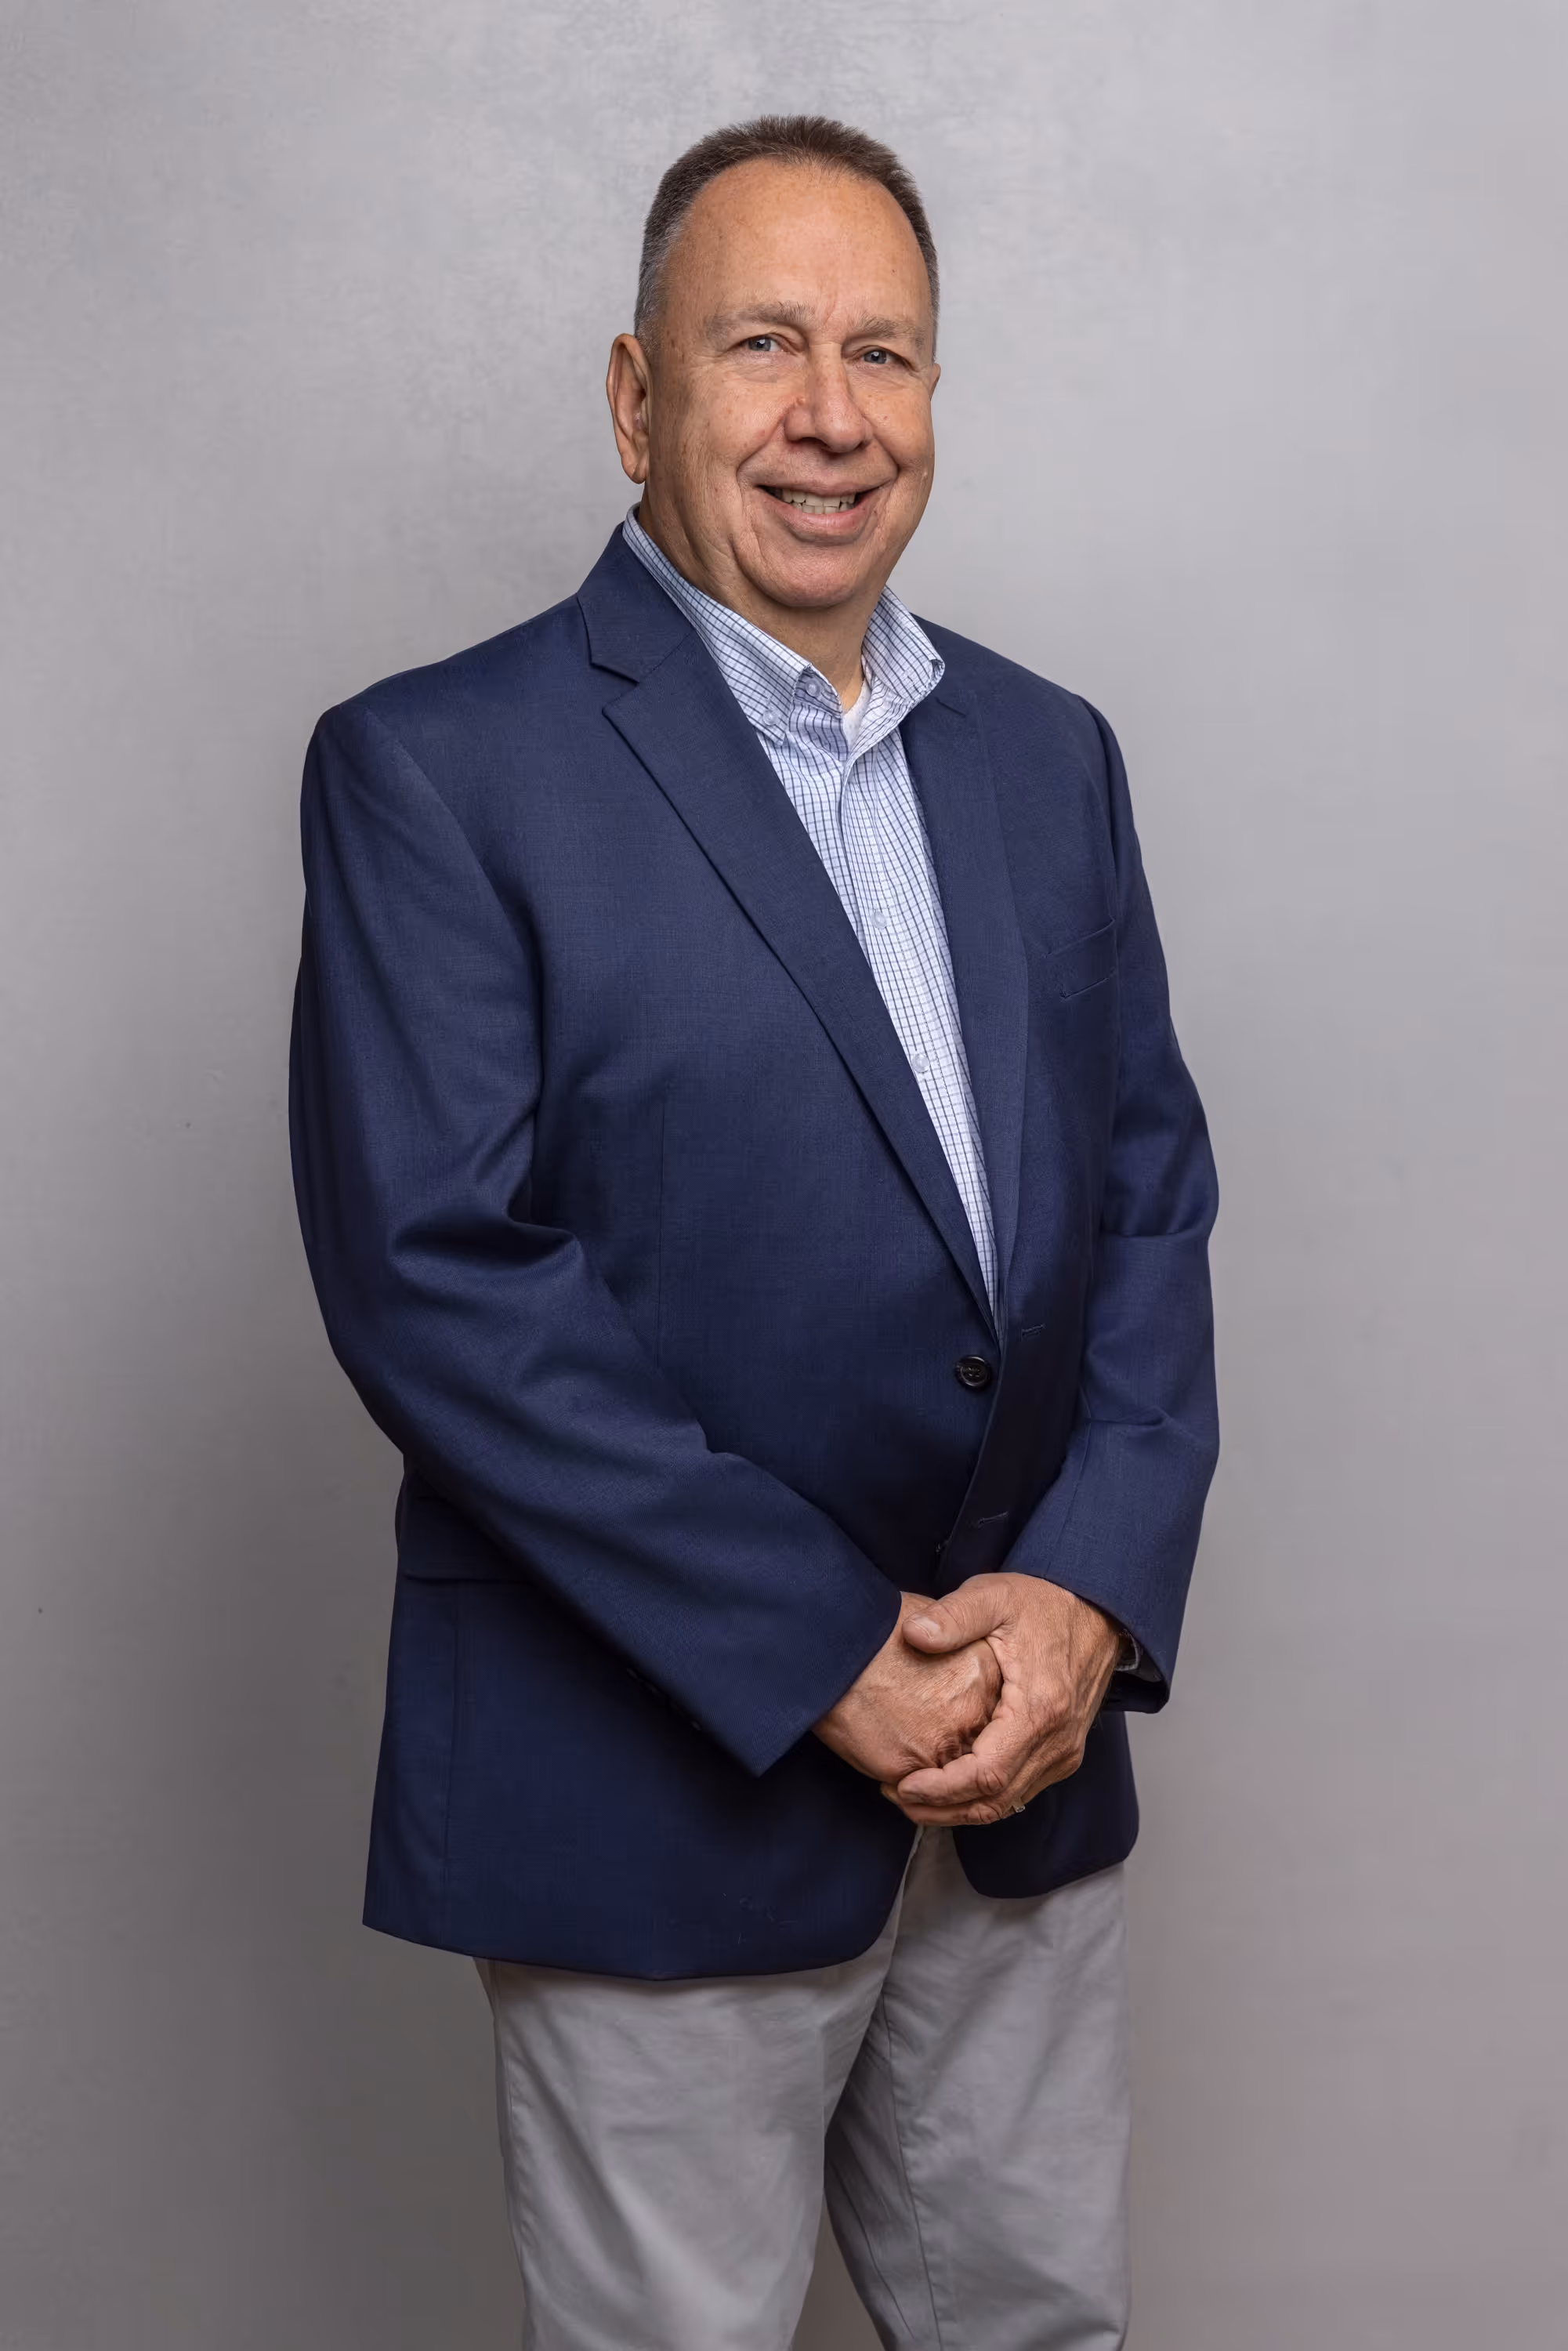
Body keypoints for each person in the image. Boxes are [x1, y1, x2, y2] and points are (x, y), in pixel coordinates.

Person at [290, 113, 1218, 2351]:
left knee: (1040, 2328)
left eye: (884, 352)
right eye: (765, 343)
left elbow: (1151, 1195)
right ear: (637, 395)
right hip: (657, 1782)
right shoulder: (439, 769)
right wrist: (828, 1654)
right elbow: (439, 1275)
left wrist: (1086, 1595)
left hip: (1023, 1760)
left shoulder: (1048, 756)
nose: (831, 414)